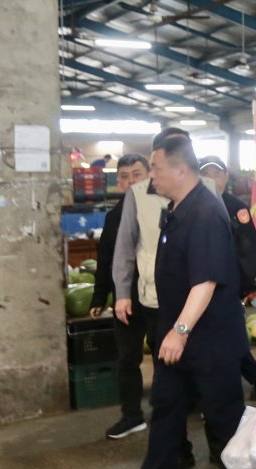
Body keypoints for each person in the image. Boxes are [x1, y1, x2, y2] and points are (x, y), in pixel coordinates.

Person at [105, 137, 254, 469]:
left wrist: (180, 331)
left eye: (156, 169)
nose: (151, 176)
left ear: (180, 170)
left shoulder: (205, 213)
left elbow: (206, 281)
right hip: (178, 337)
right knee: (166, 409)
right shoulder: (176, 209)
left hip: (209, 339)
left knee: (224, 416)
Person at [112, 127, 198, 469]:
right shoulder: (138, 194)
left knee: (206, 385)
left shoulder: (204, 192)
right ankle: (178, 453)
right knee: (167, 385)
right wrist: (121, 293)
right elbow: (124, 247)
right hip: (155, 303)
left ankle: (229, 462)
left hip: (197, 304)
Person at [199, 155, 256, 401]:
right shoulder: (196, 204)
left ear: (225, 177)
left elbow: (249, 244)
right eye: (205, 174)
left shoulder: (235, 207)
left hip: (228, 282)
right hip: (205, 281)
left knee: (226, 335)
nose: (211, 179)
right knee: (223, 336)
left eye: (216, 174)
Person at [90, 154, 155, 441]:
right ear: (118, 183)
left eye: (136, 174)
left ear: (150, 175)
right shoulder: (114, 217)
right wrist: (99, 297)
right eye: (124, 177)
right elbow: (106, 259)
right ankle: (132, 416)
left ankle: (177, 407)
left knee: (166, 356)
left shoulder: (163, 207)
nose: (130, 182)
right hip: (126, 299)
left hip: (158, 297)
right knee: (127, 358)